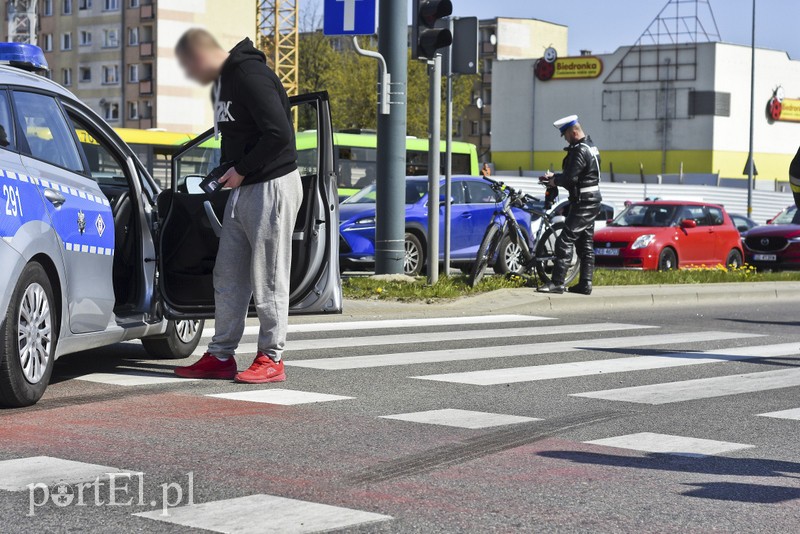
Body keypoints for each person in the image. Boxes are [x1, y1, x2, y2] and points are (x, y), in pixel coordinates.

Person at [172, 29, 302, 383]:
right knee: (227, 275)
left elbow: (279, 134)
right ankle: (221, 356)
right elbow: (237, 139)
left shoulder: (249, 75)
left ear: (204, 54)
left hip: (272, 185)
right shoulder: (224, 84)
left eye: (189, 65)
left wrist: (241, 170)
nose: (190, 73)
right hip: (245, 188)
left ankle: (271, 358)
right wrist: (222, 172)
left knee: (269, 276)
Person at [537, 115, 602, 295]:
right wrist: (556, 178)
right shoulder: (591, 146)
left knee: (564, 240)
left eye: (565, 134)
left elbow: (570, 178)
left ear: (574, 132)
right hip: (589, 200)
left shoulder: (580, 150)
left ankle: (557, 282)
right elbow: (578, 174)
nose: (565, 138)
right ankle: (585, 283)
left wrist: (553, 181)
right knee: (585, 245)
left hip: (583, 202)